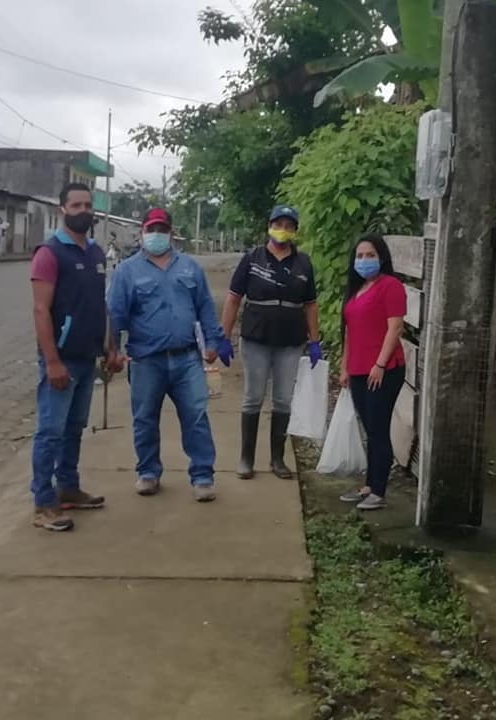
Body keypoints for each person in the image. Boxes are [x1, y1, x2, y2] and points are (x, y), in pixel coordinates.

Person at [107, 208, 224, 502]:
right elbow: (115, 315)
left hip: (187, 359)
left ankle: (202, 476)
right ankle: (148, 472)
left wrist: (212, 342)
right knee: (145, 418)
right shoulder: (127, 271)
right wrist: (111, 351)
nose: (156, 234)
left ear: (171, 233)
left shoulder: (190, 268)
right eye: (151, 229)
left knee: (196, 416)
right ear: (142, 232)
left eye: (162, 229)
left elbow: (205, 307)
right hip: (146, 359)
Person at [29, 182, 114, 531]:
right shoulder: (49, 254)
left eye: (87, 205)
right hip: (61, 361)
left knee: (74, 429)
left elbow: (100, 305)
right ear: (62, 209)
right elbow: (40, 310)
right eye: (76, 205)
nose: (83, 211)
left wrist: (109, 346)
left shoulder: (96, 254)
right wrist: (52, 361)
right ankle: (43, 503)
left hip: (87, 357)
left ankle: (68, 487)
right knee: (50, 432)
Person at [219, 205, 321, 479]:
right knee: (253, 397)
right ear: (269, 226)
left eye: (289, 226)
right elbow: (233, 298)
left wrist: (314, 341)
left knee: (283, 400)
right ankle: (246, 459)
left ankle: (277, 459)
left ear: (295, 231)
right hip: (256, 338)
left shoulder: (303, 263)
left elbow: (311, 304)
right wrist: (224, 336)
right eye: (278, 224)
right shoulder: (252, 259)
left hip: (291, 341)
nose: (282, 230)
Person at [338, 234, 407, 511]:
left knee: (378, 428)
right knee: (369, 428)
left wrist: (379, 365)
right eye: (359, 256)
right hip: (357, 369)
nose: (364, 260)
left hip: (384, 369)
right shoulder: (356, 290)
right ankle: (369, 485)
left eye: (370, 255)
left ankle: (379, 491)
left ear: (381, 257)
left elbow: (395, 327)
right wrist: (344, 367)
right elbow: (349, 333)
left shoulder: (390, 286)